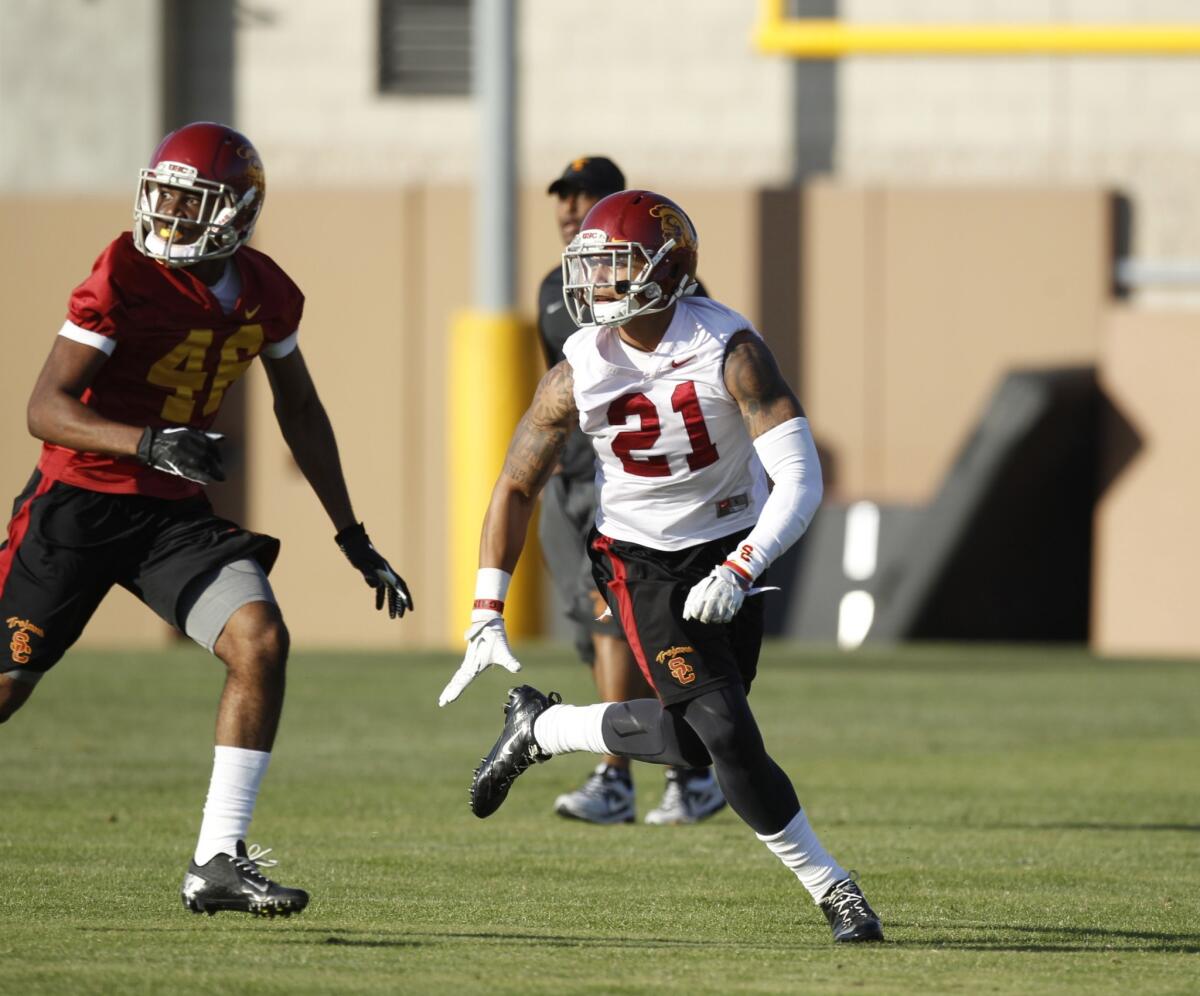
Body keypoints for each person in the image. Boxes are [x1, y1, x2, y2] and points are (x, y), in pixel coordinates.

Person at [439, 190, 883, 943]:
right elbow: (516, 484)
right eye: (592, 266)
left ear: (665, 268)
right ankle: (834, 889)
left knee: (690, 740)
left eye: (614, 266)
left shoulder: (730, 350)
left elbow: (801, 480)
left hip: (732, 547)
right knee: (727, 733)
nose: (595, 283)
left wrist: (743, 566)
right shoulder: (577, 371)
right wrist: (487, 605)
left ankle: (544, 728)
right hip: (640, 562)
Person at [0, 122, 412, 918]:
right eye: (165, 197)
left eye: (192, 204)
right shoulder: (123, 270)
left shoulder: (267, 291)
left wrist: (351, 534)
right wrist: (148, 442)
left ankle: (217, 860)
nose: (170, 217)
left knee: (260, 638)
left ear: (237, 213)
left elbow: (301, 408)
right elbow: (43, 409)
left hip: (169, 516)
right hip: (77, 504)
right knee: (8, 684)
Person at [535, 157, 724, 827]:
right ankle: (687, 775)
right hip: (574, 483)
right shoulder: (552, 292)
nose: (568, 206)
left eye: (583, 194)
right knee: (599, 638)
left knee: (627, 632)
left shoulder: (685, 304)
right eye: (561, 194)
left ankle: (618, 775)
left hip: (635, 493)